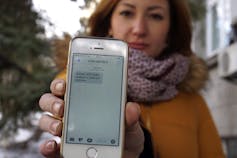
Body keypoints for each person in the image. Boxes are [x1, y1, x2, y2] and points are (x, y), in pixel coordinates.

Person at [38, 0, 226, 157]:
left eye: (155, 16)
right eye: (127, 13)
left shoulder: (192, 102)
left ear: (170, 31)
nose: (139, 29)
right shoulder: (71, 86)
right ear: (109, 23)